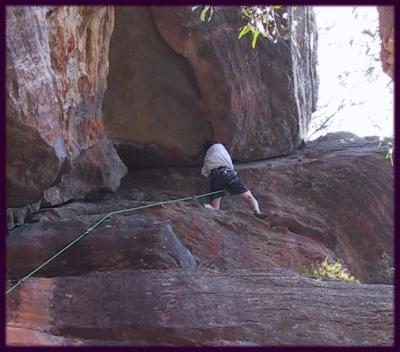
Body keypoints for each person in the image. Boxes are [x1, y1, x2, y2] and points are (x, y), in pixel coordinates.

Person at [201, 142, 267, 219]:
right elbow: (230, 164)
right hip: (228, 173)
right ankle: (257, 211)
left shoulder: (207, 156)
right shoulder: (222, 149)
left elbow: (205, 172)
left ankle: (203, 206)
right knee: (249, 196)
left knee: (215, 209)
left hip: (215, 176)